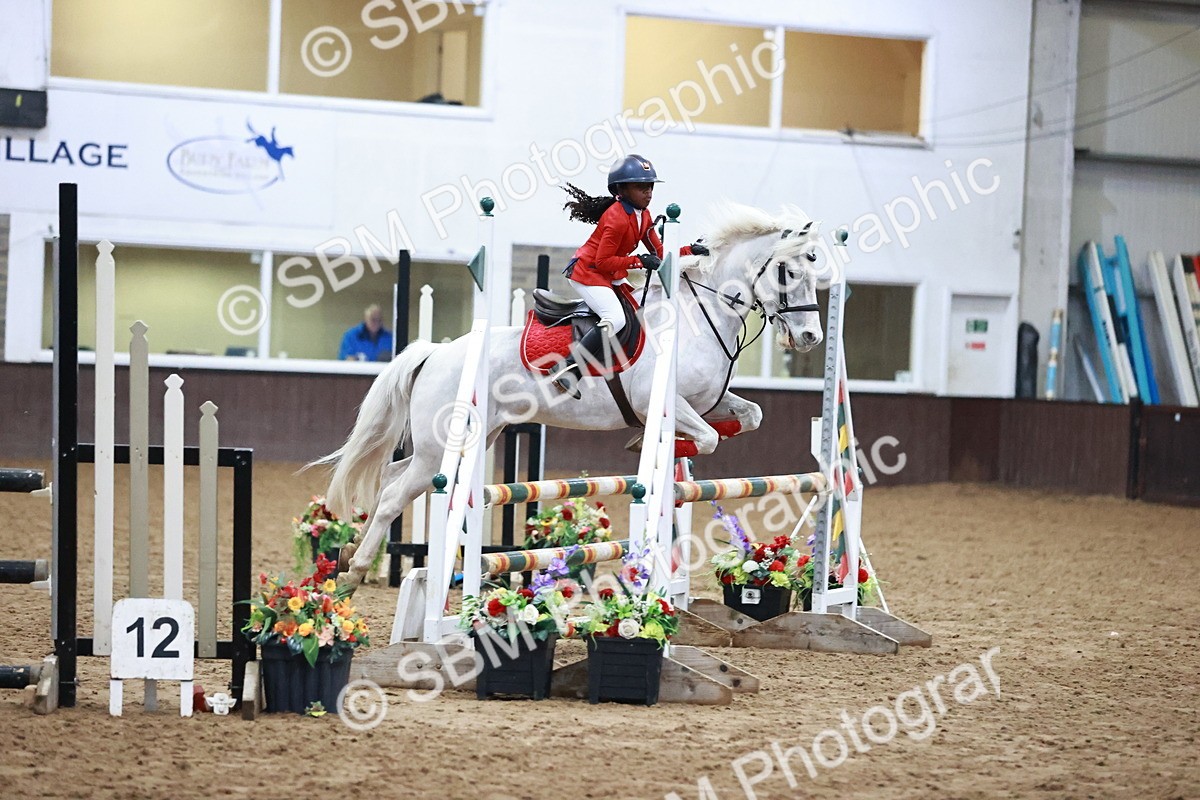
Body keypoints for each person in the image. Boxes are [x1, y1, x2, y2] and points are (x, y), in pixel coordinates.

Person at [551, 153, 708, 398]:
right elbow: (602, 261)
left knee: (638, 312)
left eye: (650, 186)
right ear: (621, 189)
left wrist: (690, 250)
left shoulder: (643, 215)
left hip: (609, 273)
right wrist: (639, 261)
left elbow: (659, 252)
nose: (648, 192)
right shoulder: (616, 218)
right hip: (588, 273)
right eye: (640, 187)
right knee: (615, 318)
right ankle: (568, 369)